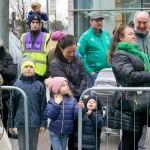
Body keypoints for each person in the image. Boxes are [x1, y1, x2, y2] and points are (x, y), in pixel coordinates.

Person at [109, 25, 150, 150]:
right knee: (128, 140)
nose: (134, 36)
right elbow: (130, 76)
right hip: (129, 102)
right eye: (130, 34)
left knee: (135, 139)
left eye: (133, 33)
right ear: (121, 38)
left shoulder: (135, 53)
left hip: (139, 101)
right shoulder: (120, 54)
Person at [50, 34, 87, 150]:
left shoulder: (78, 59)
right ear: (61, 49)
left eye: (74, 51)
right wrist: (78, 93)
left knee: (74, 134)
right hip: (63, 103)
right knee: (59, 136)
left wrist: (80, 92)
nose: (72, 55)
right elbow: (64, 83)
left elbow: (83, 77)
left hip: (76, 99)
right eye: (69, 52)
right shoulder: (55, 63)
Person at [8, 56, 47, 150]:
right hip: (21, 121)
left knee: (33, 147)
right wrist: (10, 123)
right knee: (22, 147)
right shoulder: (17, 85)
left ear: (34, 69)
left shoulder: (40, 85)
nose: (28, 69)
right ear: (21, 69)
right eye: (26, 67)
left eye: (31, 67)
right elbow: (12, 106)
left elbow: (43, 106)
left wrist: (43, 123)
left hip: (35, 122)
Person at [78, 11, 111, 88]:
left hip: (108, 72)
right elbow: (80, 55)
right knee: (94, 97)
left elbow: (112, 51)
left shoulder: (106, 34)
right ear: (91, 21)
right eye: (97, 20)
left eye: (101, 20)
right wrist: (89, 72)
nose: (99, 22)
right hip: (94, 73)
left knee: (107, 96)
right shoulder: (85, 36)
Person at [45, 77, 79, 150]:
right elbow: (50, 115)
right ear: (57, 89)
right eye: (63, 85)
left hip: (66, 132)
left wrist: (79, 108)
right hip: (54, 132)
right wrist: (56, 104)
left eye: (67, 84)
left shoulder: (72, 100)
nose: (67, 86)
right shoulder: (52, 100)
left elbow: (76, 115)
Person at [21, 14, 50, 83]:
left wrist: (47, 73)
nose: (35, 24)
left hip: (41, 74)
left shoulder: (46, 37)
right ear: (30, 24)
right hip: (27, 72)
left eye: (37, 22)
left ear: (40, 24)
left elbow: (49, 57)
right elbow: (22, 55)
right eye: (33, 22)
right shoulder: (23, 37)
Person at [0, 40, 17, 132]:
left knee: (4, 122)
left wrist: (1, 68)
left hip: (4, 95)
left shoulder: (6, 56)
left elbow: (12, 73)